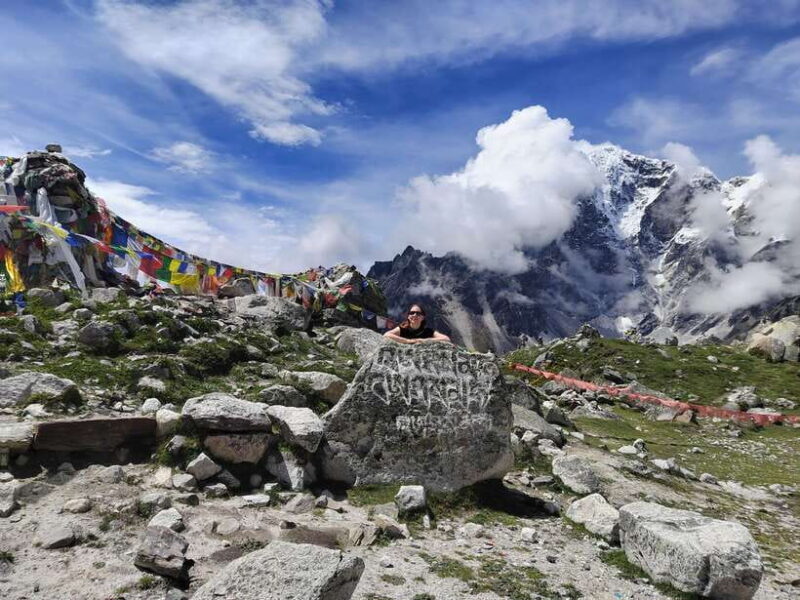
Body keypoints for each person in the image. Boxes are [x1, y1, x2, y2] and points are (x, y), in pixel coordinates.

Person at [383, 303, 451, 344]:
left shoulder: (427, 331)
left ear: (423, 317)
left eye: (418, 313)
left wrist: (422, 341)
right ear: (408, 316)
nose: (415, 315)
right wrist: (408, 341)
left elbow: (446, 339)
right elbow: (387, 335)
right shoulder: (403, 329)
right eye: (412, 313)